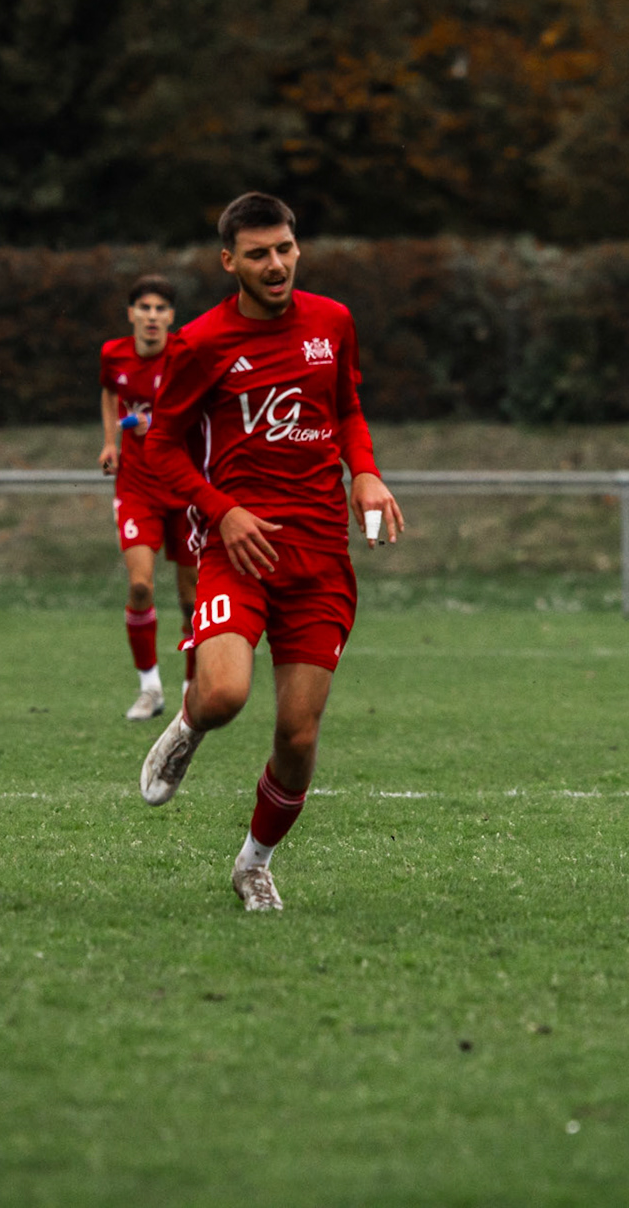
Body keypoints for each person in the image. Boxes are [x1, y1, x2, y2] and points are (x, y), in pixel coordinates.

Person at [136, 192, 404, 911]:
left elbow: (347, 409)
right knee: (224, 695)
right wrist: (221, 511)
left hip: (320, 558)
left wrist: (365, 471)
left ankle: (254, 864)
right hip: (241, 551)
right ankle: (189, 722)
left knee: (298, 734)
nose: (277, 264)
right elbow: (159, 446)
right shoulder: (199, 344)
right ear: (230, 262)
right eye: (259, 254)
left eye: (285, 248)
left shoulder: (332, 321)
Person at [97, 275, 199, 720]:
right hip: (137, 487)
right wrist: (111, 442)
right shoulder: (113, 354)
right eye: (145, 308)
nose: (152, 316)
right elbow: (110, 392)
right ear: (131, 314)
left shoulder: (185, 356)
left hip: (185, 486)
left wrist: (159, 427)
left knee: (192, 598)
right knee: (140, 585)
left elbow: (200, 411)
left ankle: (192, 690)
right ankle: (150, 688)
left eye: (160, 308)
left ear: (171, 317)